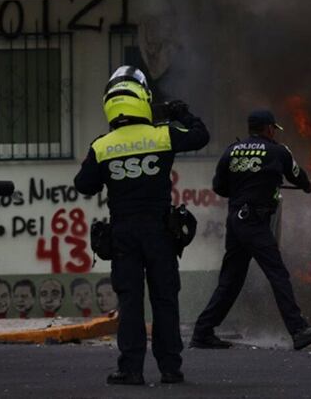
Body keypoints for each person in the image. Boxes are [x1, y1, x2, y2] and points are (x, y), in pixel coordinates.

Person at [75, 66, 209, 385]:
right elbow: (201, 136)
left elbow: (84, 184)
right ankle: (170, 367)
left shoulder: (102, 145)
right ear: (143, 98)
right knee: (165, 298)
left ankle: (131, 368)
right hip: (161, 231)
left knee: (131, 300)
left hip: (123, 232)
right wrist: (183, 113)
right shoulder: (162, 135)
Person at [190, 110, 311, 351]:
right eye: (273, 128)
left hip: (236, 221)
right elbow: (297, 176)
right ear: (268, 129)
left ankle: (202, 332)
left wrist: (244, 188)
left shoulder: (231, 151)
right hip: (254, 222)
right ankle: (298, 329)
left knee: (231, 280)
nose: (274, 132)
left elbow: (219, 187)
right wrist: (307, 186)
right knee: (277, 273)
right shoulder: (278, 151)